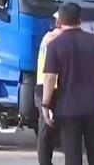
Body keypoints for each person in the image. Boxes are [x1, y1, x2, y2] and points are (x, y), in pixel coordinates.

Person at [41, 2, 94, 165]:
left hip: (67, 110)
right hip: (93, 108)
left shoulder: (54, 45)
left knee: (72, 159)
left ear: (60, 21)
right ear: (80, 19)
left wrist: (45, 104)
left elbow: (50, 78)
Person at [36, 12, 63, 165]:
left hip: (44, 84)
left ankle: (45, 161)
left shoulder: (48, 36)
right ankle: (45, 161)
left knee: (47, 126)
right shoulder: (56, 37)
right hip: (51, 85)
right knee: (47, 126)